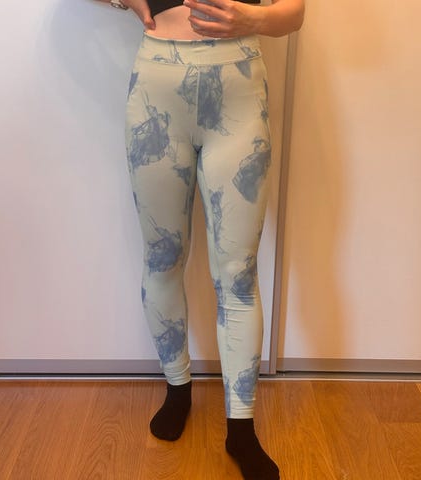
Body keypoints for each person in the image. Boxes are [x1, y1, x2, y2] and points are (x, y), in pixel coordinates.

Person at [101, 0, 304, 478]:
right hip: (156, 82)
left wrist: (253, 19)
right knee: (163, 257)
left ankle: (241, 427)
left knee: (238, 273)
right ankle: (177, 388)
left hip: (238, 82)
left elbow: (294, 13)